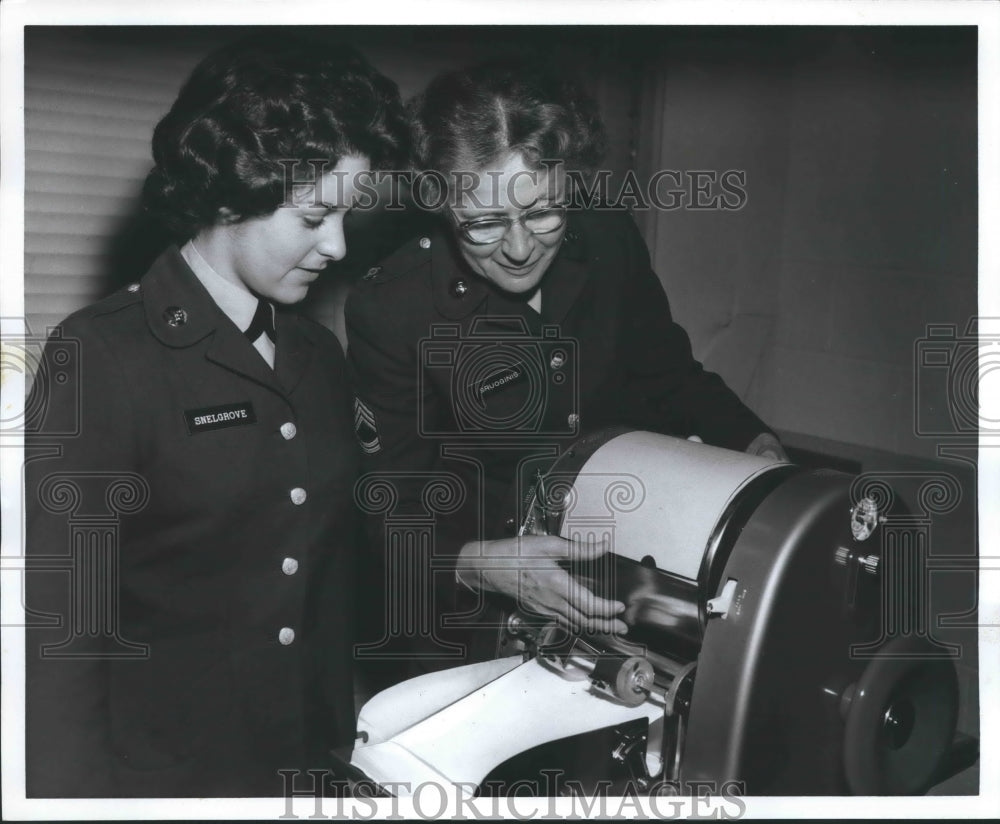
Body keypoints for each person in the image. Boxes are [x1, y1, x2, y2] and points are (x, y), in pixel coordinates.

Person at [24, 35, 407, 797]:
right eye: (312, 218)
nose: (336, 245)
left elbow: (324, 585)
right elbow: (61, 640)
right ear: (232, 195)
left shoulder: (316, 356)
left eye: (348, 216)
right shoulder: (101, 357)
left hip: (303, 767)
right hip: (162, 784)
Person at [345, 59, 786, 681]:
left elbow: (671, 377)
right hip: (472, 624)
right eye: (484, 222)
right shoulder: (395, 307)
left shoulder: (609, 243)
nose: (520, 248)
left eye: (544, 212)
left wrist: (752, 443)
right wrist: (475, 563)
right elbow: (387, 511)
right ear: (440, 202)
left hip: (623, 583)